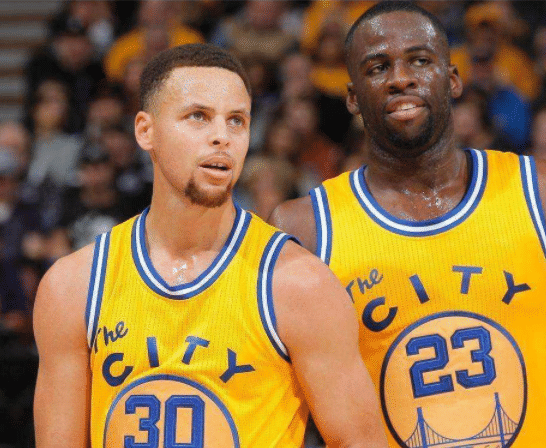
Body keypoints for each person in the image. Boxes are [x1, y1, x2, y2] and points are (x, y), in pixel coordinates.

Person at [270, 2, 546, 447]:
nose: (400, 78)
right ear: (353, 97)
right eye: (378, 68)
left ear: (453, 79)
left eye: (420, 61)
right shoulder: (304, 229)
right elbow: (283, 417)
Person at [33, 43, 387, 448]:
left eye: (237, 121)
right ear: (146, 131)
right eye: (198, 116)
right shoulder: (73, 286)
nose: (222, 136)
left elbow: (360, 441)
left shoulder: (299, 285)